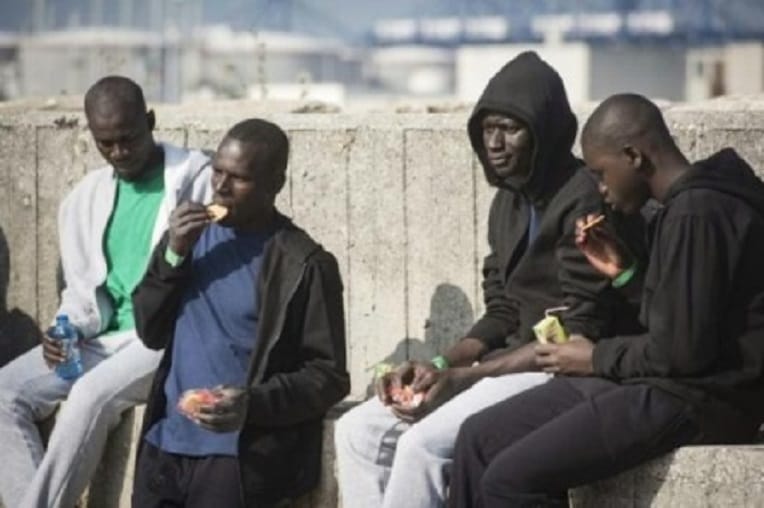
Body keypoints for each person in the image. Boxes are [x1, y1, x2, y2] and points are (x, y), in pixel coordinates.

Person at [334, 51, 643, 508]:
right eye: (487, 129)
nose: (495, 143)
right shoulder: (509, 201)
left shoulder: (584, 198)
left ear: (545, 132)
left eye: (511, 129)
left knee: (423, 447)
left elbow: (581, 330)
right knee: (356, 430)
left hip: (558, 372)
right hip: (507, 362)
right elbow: (502, 309)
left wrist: (462, 376)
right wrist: (440, 364)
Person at [449, 93, 764, 508]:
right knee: (477, 438)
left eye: (601, 173)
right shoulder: (684, 209)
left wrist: (594, 357)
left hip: (700, 399)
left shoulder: (698, 213)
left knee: (509, 481)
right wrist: (625, 272)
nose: (601, 189)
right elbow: (678, 317)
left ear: (633, 156)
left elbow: (682, 354)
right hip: (657, 381)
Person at [0, 76, 211, 508]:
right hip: (98, 340)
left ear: (150, 121)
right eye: (105, 143)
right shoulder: (85, 199)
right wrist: (64, 329)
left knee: (88, 396)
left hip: (161, 339)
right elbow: (81, 291)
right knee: (4, 392)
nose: (118, 152)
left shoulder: (197, 181)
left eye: (128, 139)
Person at [130, 118, 350, 507]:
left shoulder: (304, 263)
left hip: (238, 459)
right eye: (217, 171)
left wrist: (252, 404)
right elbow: (150, 330)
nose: (221, 187)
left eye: (239, 178)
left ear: (275, 185)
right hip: (165, 444)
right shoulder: (186, 237)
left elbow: (327, 376)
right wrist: (173, 256)